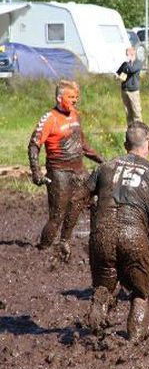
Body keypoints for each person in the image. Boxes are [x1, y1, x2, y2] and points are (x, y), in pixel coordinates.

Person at [85, 122, 149, 341]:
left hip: (101, 235)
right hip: (133, 236)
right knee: (141, 293)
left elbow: (78, 199)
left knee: (103, 288)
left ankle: (93, 334)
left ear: (126, 145)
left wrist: (70, 235)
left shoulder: (105, 167)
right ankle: (133, 340)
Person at [28, 80, 104, 260]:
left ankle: (65, 241)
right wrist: (36, 171)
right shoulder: (49, 118)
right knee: (57, 215)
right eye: (71, 97)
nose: (75, 100)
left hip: (79, 171)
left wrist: (102, 160)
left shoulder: (76, 115)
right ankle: (43, 248)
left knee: (91, 202)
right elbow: (33, 145)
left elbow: (83, 145)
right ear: (59, 98)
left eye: (76, 97)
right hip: (58, 172)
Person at [116, 47, 143, 126]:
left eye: (127, 55)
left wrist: (127, 65)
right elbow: (118, 72)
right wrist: (117, 76)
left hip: (133, 91)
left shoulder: (138, 63)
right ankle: (131, 129)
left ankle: (139, 129)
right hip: (124, 90)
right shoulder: (125, 64)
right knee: (128, 112)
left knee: (136, 111)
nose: (126, 56)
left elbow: (131, 70)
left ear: (132, 54)